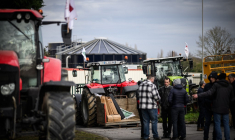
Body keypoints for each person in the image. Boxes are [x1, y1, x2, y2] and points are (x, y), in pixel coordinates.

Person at [192, 73, 234, 140]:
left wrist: (198, 95)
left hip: (216, 108)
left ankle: (218, 138)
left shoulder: (216, 85)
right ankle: (227, 138)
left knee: (217, 124)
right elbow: (232, 98)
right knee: (226, 125)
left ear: (218, 78)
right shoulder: (229, 86)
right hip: (225, 108)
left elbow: (209, 93)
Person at [138, 76, 161, 140]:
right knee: (154, 121)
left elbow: (139, 95)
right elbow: (156, 97)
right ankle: (155, 136)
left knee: (145, 122)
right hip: (151, 106)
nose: (153, 80)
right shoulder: (152, 85)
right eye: (153, 79)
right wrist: (159, 99)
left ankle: (146, 136)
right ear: (151, 79)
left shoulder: (141, 85)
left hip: (142, 107)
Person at [203, 72, 217, 140]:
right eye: (210, 78)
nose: (211, 79)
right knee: (207, 124)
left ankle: (214, 137)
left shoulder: (217, 85)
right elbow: (204, 94)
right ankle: (205, 137)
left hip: (215, 107)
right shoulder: (207, 85)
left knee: (215, 124)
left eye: (212, 78)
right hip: (208, 107)